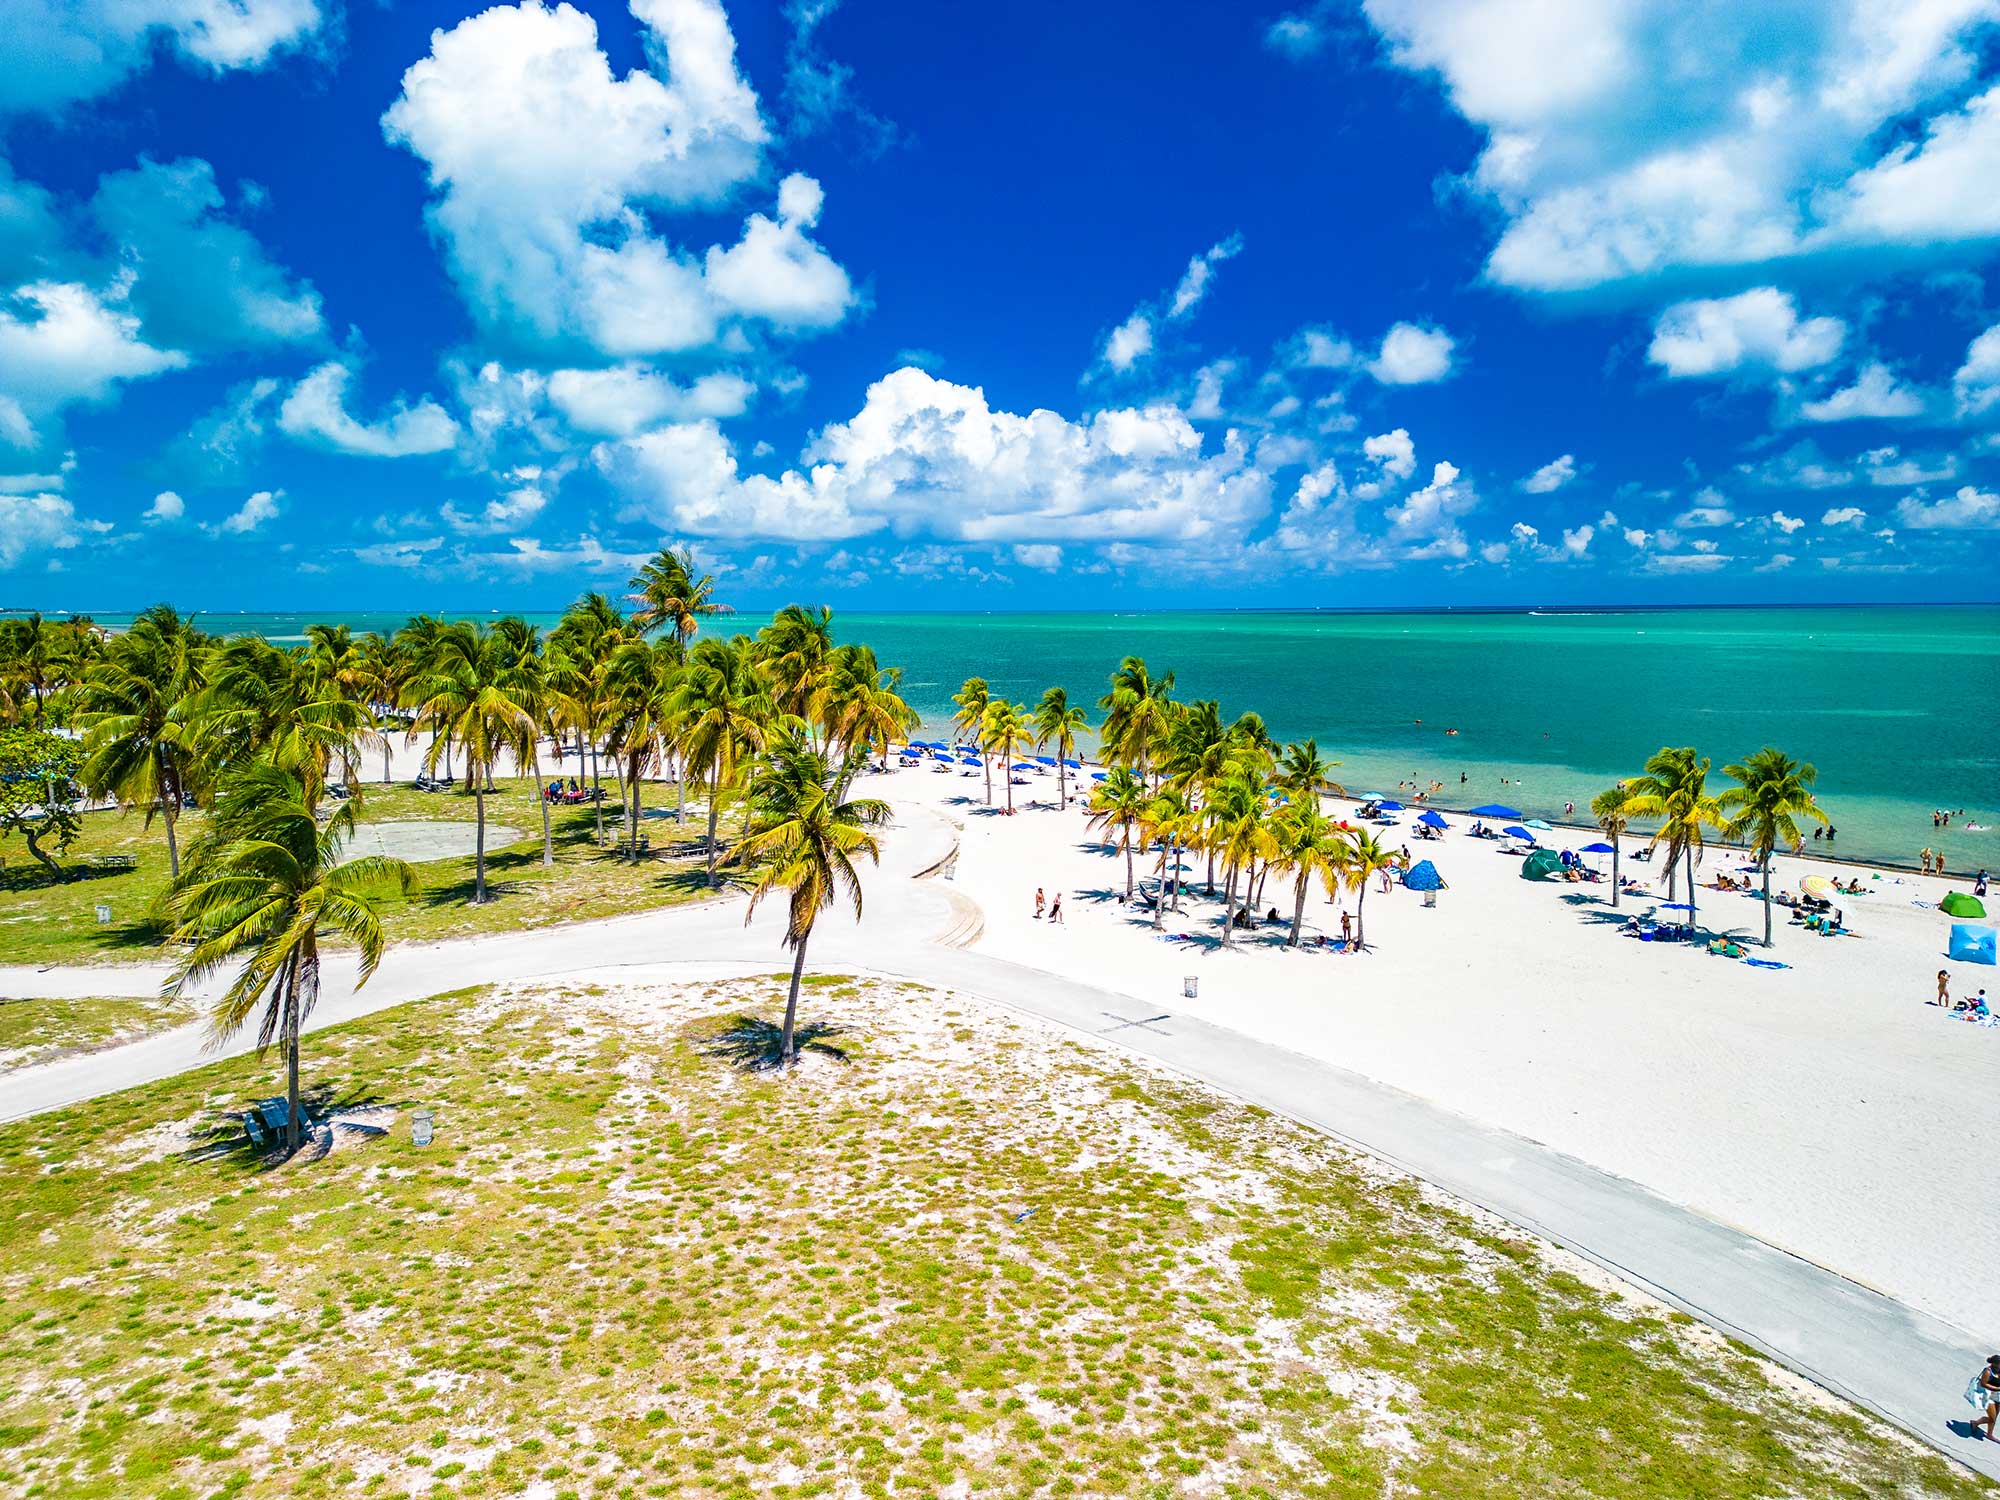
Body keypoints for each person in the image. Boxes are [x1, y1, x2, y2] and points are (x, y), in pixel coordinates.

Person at [1971, 1354, 2000, 1440]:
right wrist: (1997, 1388)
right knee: (1992, 1418)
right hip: (1988, 1396)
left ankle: (1989, 1434)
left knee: (1994, 1418)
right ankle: (1975, 1423)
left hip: (1998, 1396)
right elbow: (1984, 1383)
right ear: (1995, 1364)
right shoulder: (1988, 1371)